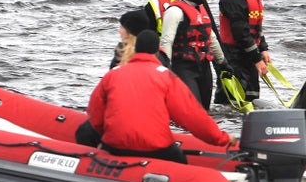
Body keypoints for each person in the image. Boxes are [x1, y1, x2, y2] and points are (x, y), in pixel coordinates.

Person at [81, 30, 238, 163]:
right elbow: (192, 116)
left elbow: (95, 114)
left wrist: (106, 137)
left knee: (84, 132)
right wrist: (222, 139)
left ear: (135, 49)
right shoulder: (166, 77)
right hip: (156, 148)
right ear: (157, 52)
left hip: (115, 146)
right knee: (181, 162)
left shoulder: (113, 74)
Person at [160, 0, 232, 110]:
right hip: (183, 67)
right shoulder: (175, 11)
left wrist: (222, 62)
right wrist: (166, 68)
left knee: (204, 110)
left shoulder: (202, 10)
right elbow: (166, 41)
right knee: (192, 109)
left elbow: (212, 38)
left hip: (204, 67)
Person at [214, 0, 271, 105]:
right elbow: (241, 32)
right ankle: (226, 125)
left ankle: (245, 125)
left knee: (251, 97)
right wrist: (257, 59)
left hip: (249, 54)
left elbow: (257, 25)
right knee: (231, 101)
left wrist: (263, 48)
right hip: (233, 56)